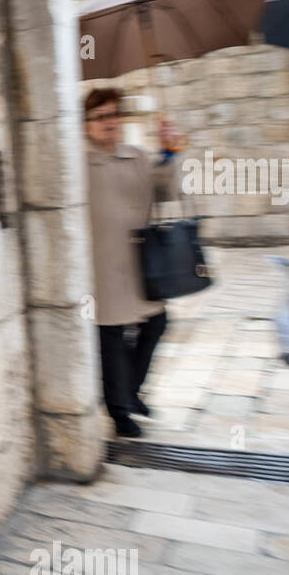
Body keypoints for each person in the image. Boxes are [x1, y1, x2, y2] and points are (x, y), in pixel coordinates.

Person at [84, 87, 184, 438]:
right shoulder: (79, 162)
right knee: (111, 338)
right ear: (86, 125)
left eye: (113, 115)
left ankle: (131, 391)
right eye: (100, 117)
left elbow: (167, 191)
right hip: (104, 267)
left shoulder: (138, 156)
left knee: (156, 323)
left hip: (141, 265)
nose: (108, 122)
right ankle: (119, 409)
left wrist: (170, 152)